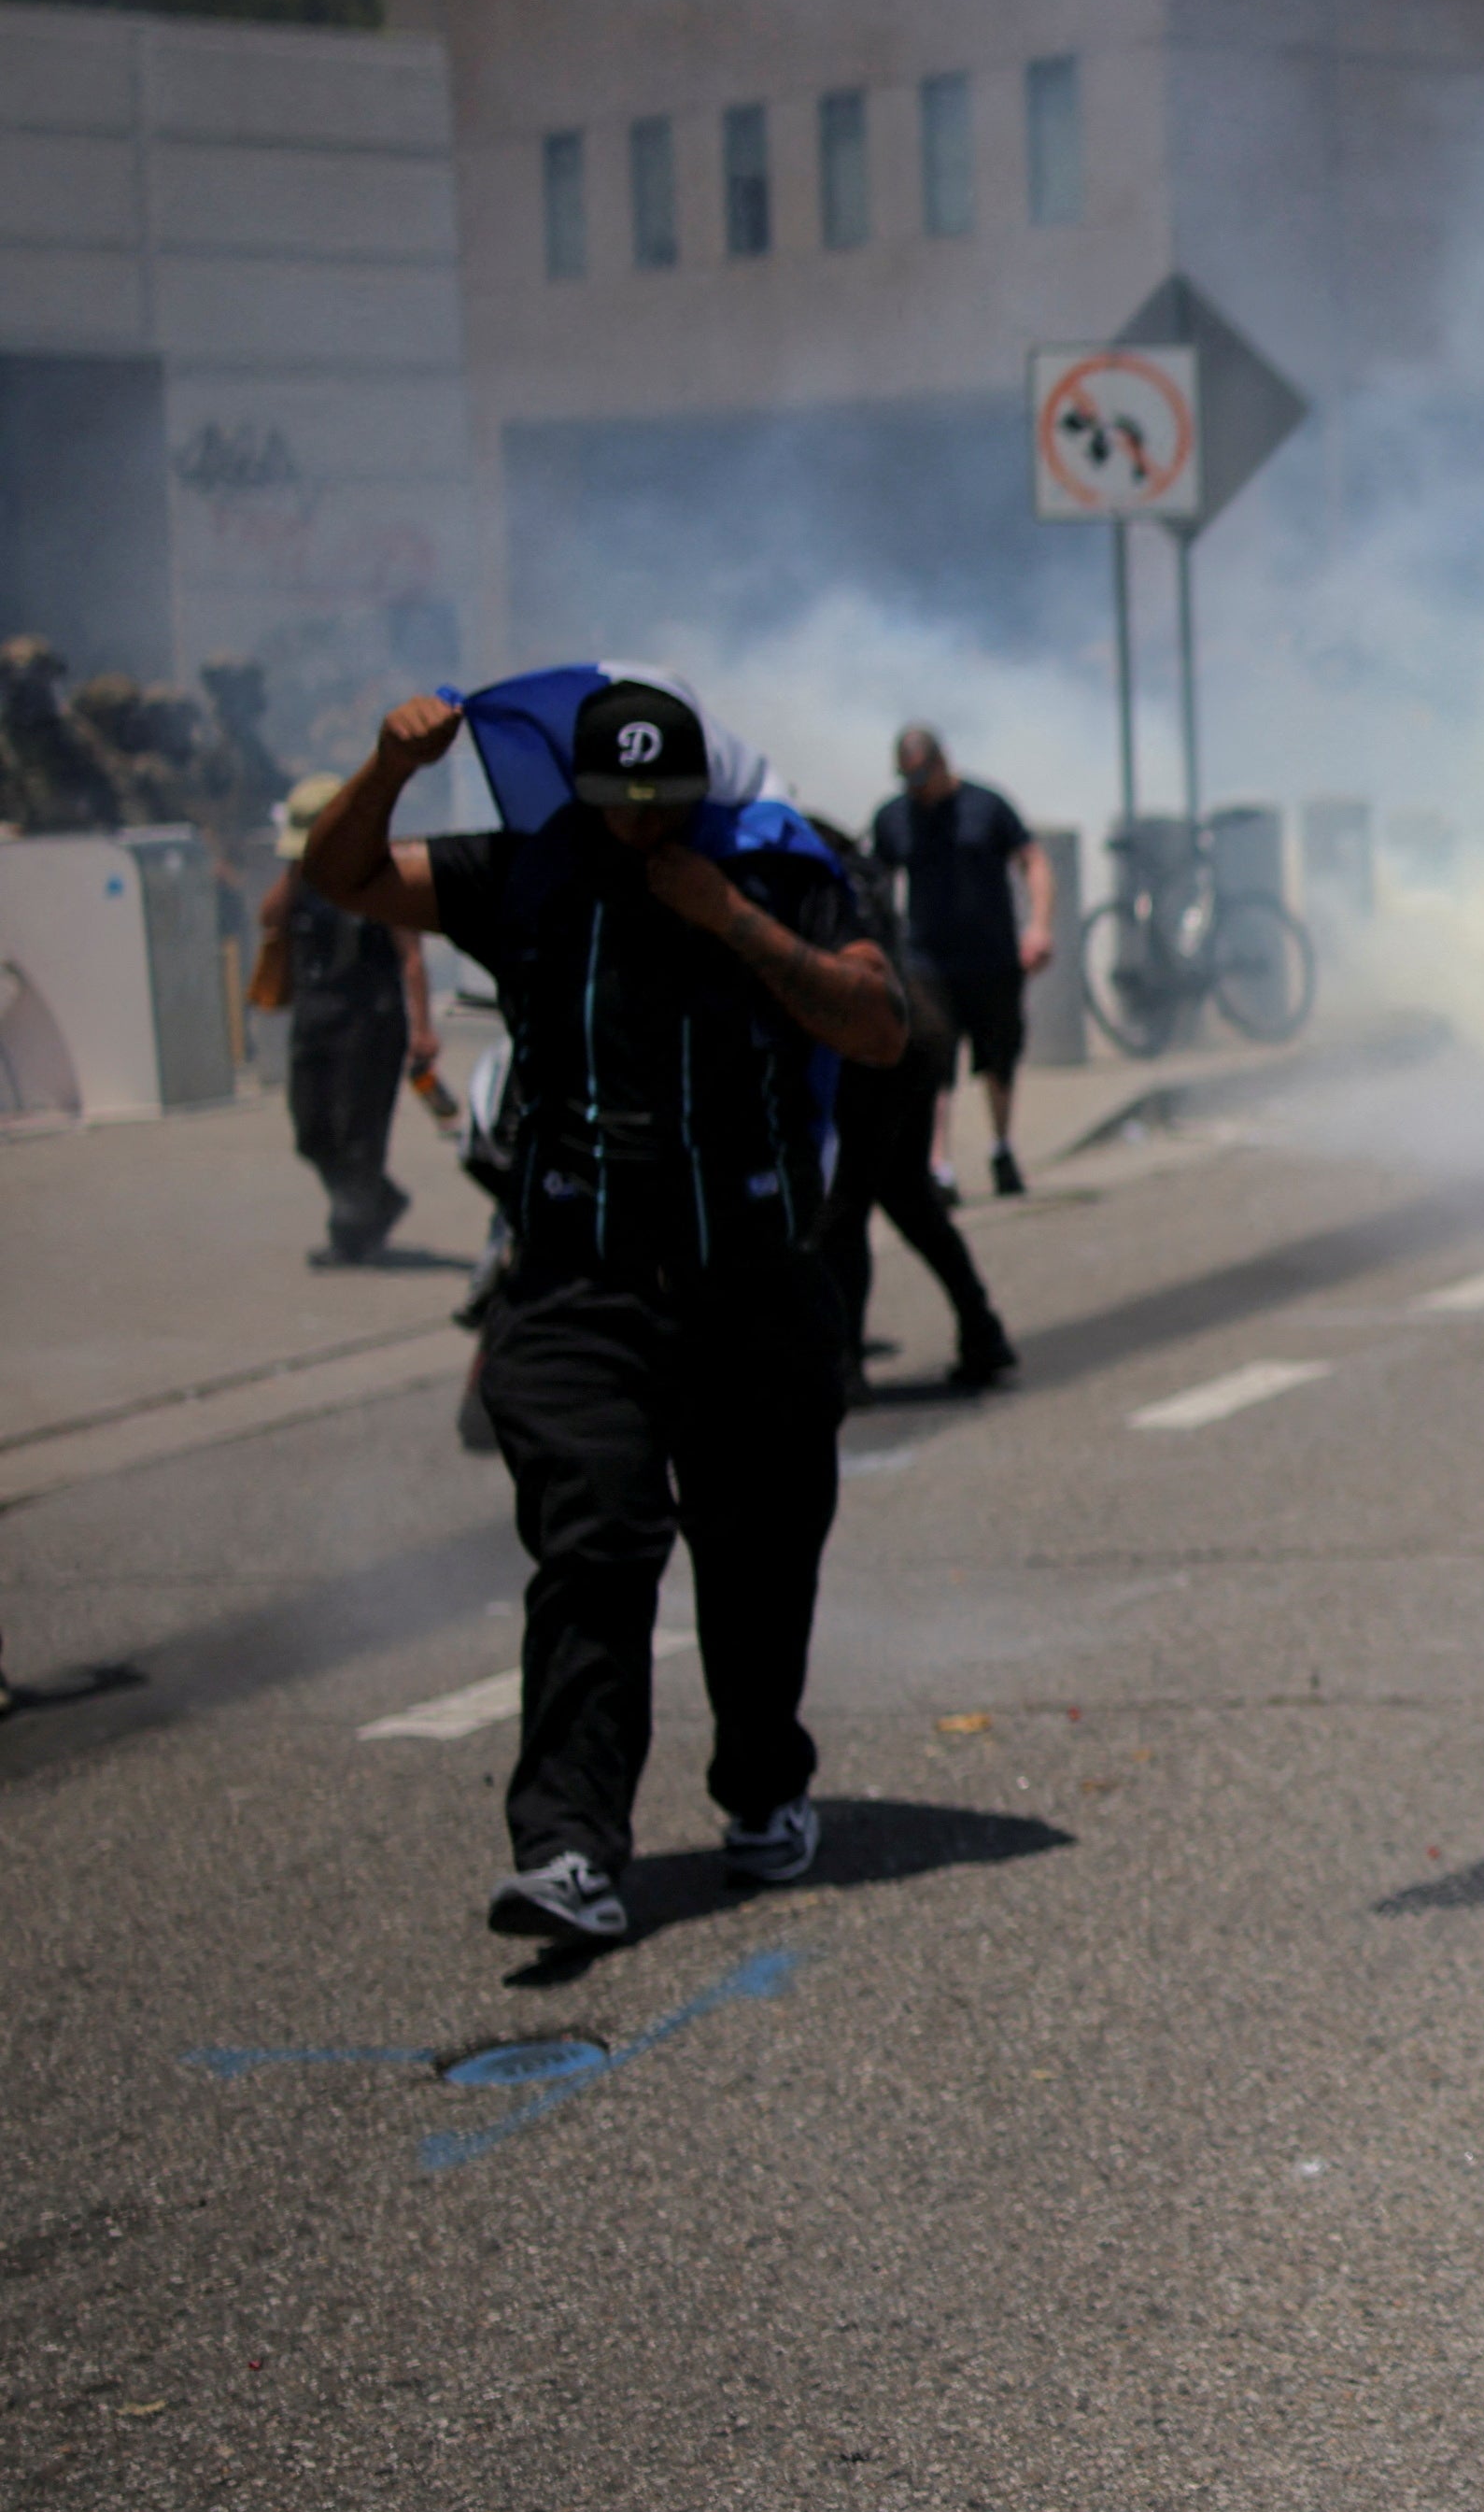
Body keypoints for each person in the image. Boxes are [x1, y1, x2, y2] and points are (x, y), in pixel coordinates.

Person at [304, 674, 905, 1946]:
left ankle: (762, 1787)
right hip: (580, 1281)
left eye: (663, 805)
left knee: (756, 1559)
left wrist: (731, 918)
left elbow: (877, 1027)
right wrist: (386, 769)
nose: (641, 829)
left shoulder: (777, 871)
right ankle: (571, 1847)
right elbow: (344, 878)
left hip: (752, 1278)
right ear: (578, 793)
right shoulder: (525, 872)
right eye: (616, 805)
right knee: (597, 1546)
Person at [815, 805, 1016, 1392]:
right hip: (910, 1034)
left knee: (845, 1207)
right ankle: (982, 1330)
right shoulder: (851, 865)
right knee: (907, 1199)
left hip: (877, 1048)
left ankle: (844, 1364)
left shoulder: (810, 872)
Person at [259, 773, 437, 1260]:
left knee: (358, 1133)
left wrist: (422, 1028)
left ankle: (355, 1232)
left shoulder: (383, 875)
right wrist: (298, 866)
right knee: (312, 1127)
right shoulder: (303, 878)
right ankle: (376, 1202)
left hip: (372, 1020)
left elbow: (411, 956)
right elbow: (269, 917)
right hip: (316, 1017)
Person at [869, 727, 1053, 1194]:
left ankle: (1002, 1149)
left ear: (943, 762)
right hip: (926, 963)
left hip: (993, 957)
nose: (916, 786)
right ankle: (940, 1167)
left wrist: (1039, 927)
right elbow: (876, 883)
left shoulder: (986, 806)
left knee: (998, 1060)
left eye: (923, 774)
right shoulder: (894, 818)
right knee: (933, 1060)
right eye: (907, 778)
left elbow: (1032, 860)